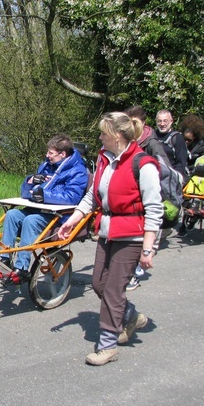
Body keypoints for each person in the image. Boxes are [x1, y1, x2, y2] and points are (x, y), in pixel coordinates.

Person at [58, 112, 163, 366]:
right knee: (99, 284)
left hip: (132, 237)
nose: (99, 137)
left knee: (114, 290)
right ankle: (131, 316)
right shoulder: (104, 159)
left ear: (117, 136)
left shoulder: (143, 164)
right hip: (107, 231)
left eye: (103, 133)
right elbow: (93, 198)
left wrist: (148, 249)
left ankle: (108, 346)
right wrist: (72, 220)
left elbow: (154, 209)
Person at [0, 134, 89, 285]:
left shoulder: (78, 171)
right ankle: (5, 261)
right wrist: (30, 181)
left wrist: (44, 195)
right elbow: (26, 193)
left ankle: (21, 268)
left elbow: (72, 197)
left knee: (30, 220)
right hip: (40, 210)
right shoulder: (47, 165)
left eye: (51, 153)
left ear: (62, 154)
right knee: (12, 214)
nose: (47, 156)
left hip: (59, 215)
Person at [124, 105, 169, 292]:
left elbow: (164, 169)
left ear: (143, 123)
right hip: (133, 197)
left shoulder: (152, 143)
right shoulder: (125, 141)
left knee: (144, 237)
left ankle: (135, 273)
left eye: (134, 122)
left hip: (147, 196)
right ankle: (129, 269)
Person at [154, 109, 189, 183]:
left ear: (171, 121)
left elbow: (181, 163)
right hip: (153, 177)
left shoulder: (177, 138)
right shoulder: (152, 136)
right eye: (159, 121)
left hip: (170, 179)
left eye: (165, 121)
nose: (162, 124)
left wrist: (174, 179)